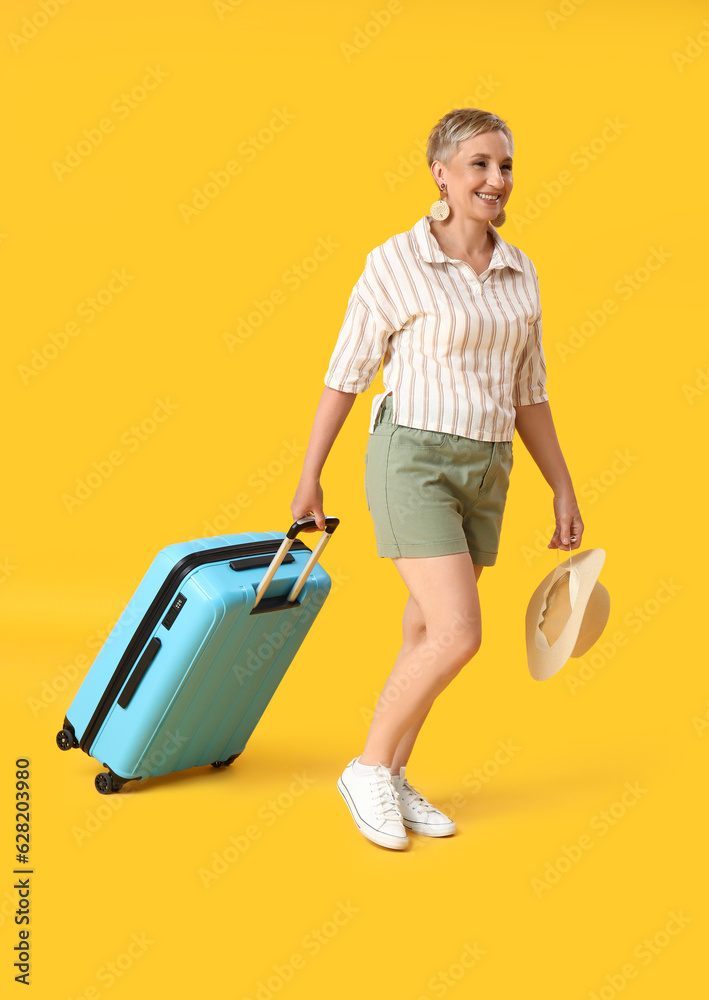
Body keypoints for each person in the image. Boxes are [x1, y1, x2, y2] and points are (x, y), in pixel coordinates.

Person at [290, 107, 584, 851]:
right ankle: (363, 768)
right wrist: (310, 474)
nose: (495, 179)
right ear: (441, 174)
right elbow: (346, 374)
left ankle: (391, 770)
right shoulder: (394, 261)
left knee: (424, 627)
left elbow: (529, 392)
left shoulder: (521, 273)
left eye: (505, 166)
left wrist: (561, 485)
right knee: (457, 632)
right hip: (412, 458)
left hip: (487, 466)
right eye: (479, 164)